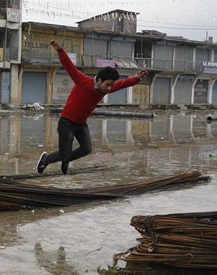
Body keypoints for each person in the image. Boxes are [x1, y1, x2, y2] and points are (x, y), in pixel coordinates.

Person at [36, 40, 147, 174]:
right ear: (99, 81)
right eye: (108, 85)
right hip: (66, 122)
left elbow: (123, 84)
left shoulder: (105, 88)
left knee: (86, 149)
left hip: (81, 124)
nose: (110, 88)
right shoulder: (83, 81)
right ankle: (46, 159)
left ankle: (65, 159)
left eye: (111, 85)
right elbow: (69, 66)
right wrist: (60, 50)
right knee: (64, 152)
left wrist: (137, 79)